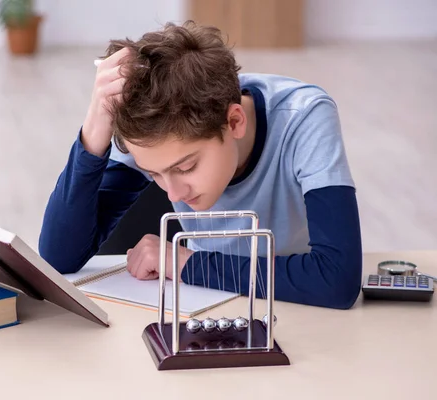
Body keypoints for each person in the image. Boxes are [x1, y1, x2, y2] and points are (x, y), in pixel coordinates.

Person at [38, 21, 363, 310]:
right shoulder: (150, 133)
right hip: (203, 303)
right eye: (154, 174)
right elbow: (59, 258)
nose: (173, 192)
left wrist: (185, 264)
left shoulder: (304, 117)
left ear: (234, 121)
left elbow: (336, 280)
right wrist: (95, 128)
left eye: (186, 167)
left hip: (296, 309)